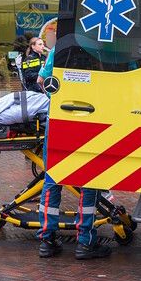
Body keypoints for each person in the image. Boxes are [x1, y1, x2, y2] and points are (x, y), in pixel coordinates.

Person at [35, 47, 112, 260]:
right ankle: (85, 242)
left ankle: (47, 240)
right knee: (88, 179)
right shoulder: (105, 49)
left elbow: (42, 81)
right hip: (92, 117)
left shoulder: (59, 48)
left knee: (53, 177)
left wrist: (58, 98)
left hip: (60, 116)